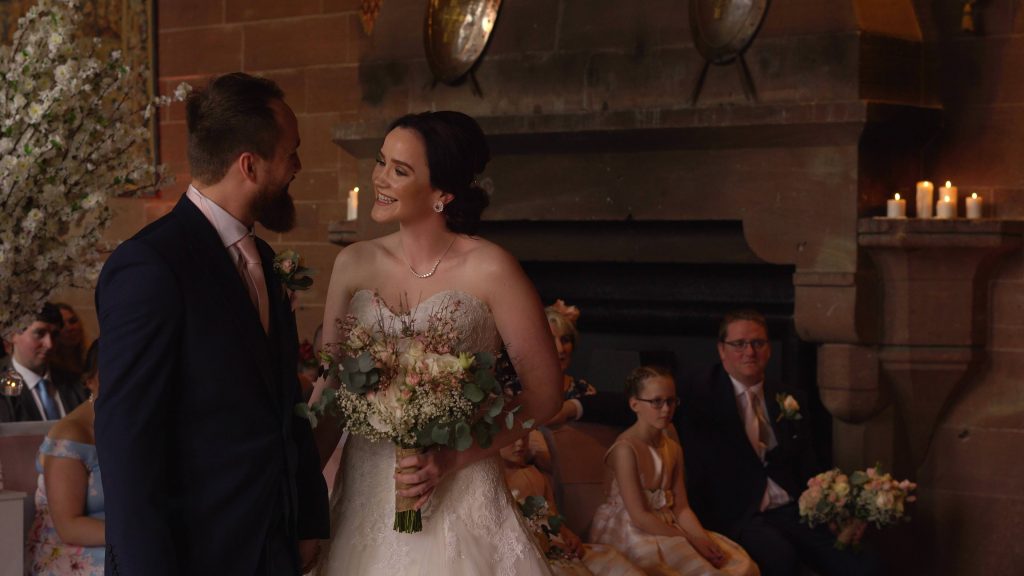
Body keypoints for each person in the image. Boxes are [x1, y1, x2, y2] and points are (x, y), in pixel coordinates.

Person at [95, 72, 329, 575]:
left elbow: (284, 406)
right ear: (249, 164)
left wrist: (307, 521)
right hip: (191, 555)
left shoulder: (264, 260)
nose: (298, 167)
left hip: (271, 547)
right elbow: (127, 442)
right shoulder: (151, 267)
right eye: (291, 153)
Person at [311, 110, 562, 575]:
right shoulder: (353, 264)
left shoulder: (492, 269)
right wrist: (298, 498)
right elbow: (330, 393)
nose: (380, 178)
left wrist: (452, 458)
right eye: (382, 161)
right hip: (366, 496)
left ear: (442, 193)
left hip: (461, 495)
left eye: (399, 170)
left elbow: (545, 395)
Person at [678, 310, 881, 576]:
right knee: (780, 557)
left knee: (862, 562)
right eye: (739, 344)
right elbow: (643, 407)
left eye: (758, 343)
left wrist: (832, 509)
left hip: (792, 507)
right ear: (721, 350)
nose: (749, 351)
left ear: (769, 349)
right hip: (741, 513)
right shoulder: (697, 392)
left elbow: (809, 462)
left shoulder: (789, 397)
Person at [590, 365, 759, 576]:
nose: (666, 409)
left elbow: (681, 508)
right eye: (656, 402)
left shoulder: (672, 446)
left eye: (671, 401)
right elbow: (639, 516)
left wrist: (702, 539)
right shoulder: (626, 449)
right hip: (632, 529)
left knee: (735, 562)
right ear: (635, 404)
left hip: (668, 524)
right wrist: (689, 540)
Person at [500, 437, 645, 576]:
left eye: (525, 436)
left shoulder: (536, 474)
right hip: (531, 551)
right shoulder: (500, 483)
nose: (520, 443)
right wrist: (545, 546)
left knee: (619, 566)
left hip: (559, 546)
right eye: (512, 438)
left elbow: (554, 517)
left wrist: (569, 536)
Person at [26, 339, 104, 575]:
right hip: (73, 552)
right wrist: (147, 533)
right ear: (89, 380)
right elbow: (69, 527)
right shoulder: (71, 435)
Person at [0, 302, 87, 423]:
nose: (49, 344)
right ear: (13, 334)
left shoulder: (75, 384)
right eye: (39, 334)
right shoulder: (4, 384)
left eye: (55, 334)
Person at [50, 303, 89, 380]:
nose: (70, 328)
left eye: (73, 321)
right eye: (62, 324)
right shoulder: (49, 369)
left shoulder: (89, 360)